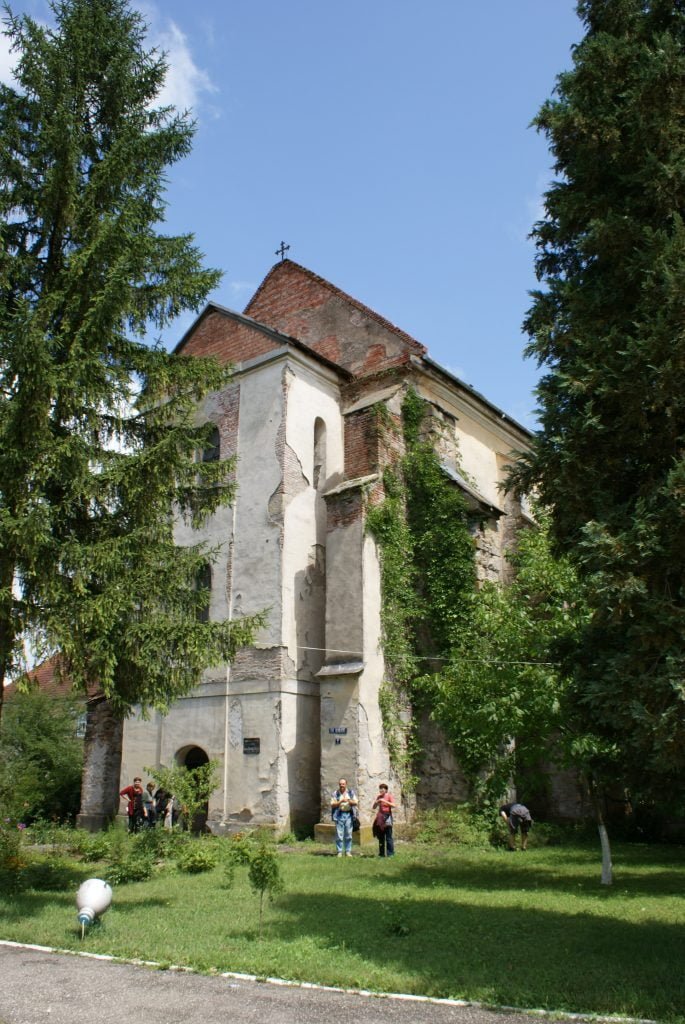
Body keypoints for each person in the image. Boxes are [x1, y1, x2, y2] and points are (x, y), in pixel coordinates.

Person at [330, 778, 358, 857]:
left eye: (343, 784)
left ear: (346, 784)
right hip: (339, 815)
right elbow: (332, 804)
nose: (342, 785)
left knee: (348, 834)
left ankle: (348, 851)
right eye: (340, 784)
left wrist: (349, 801)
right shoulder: (335, 793)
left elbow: (356, 802)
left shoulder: (350, 792)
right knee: (339, 834)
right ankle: (339, 851)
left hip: (349, 815)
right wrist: (341, 801)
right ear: (339, 784)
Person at [371, 783, 395, 857]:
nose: (381, 790)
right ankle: (381, 854)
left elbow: (394, 805)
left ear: (386, 790)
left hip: (387, 817)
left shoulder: (389, 796)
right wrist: (376, 802)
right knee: (381, 837)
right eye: (380, 788)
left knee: (388, 837)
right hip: (380, 817)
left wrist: (385, 801)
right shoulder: (379, 797)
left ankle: (390, 854)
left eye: (383, 788)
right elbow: (374, 807)